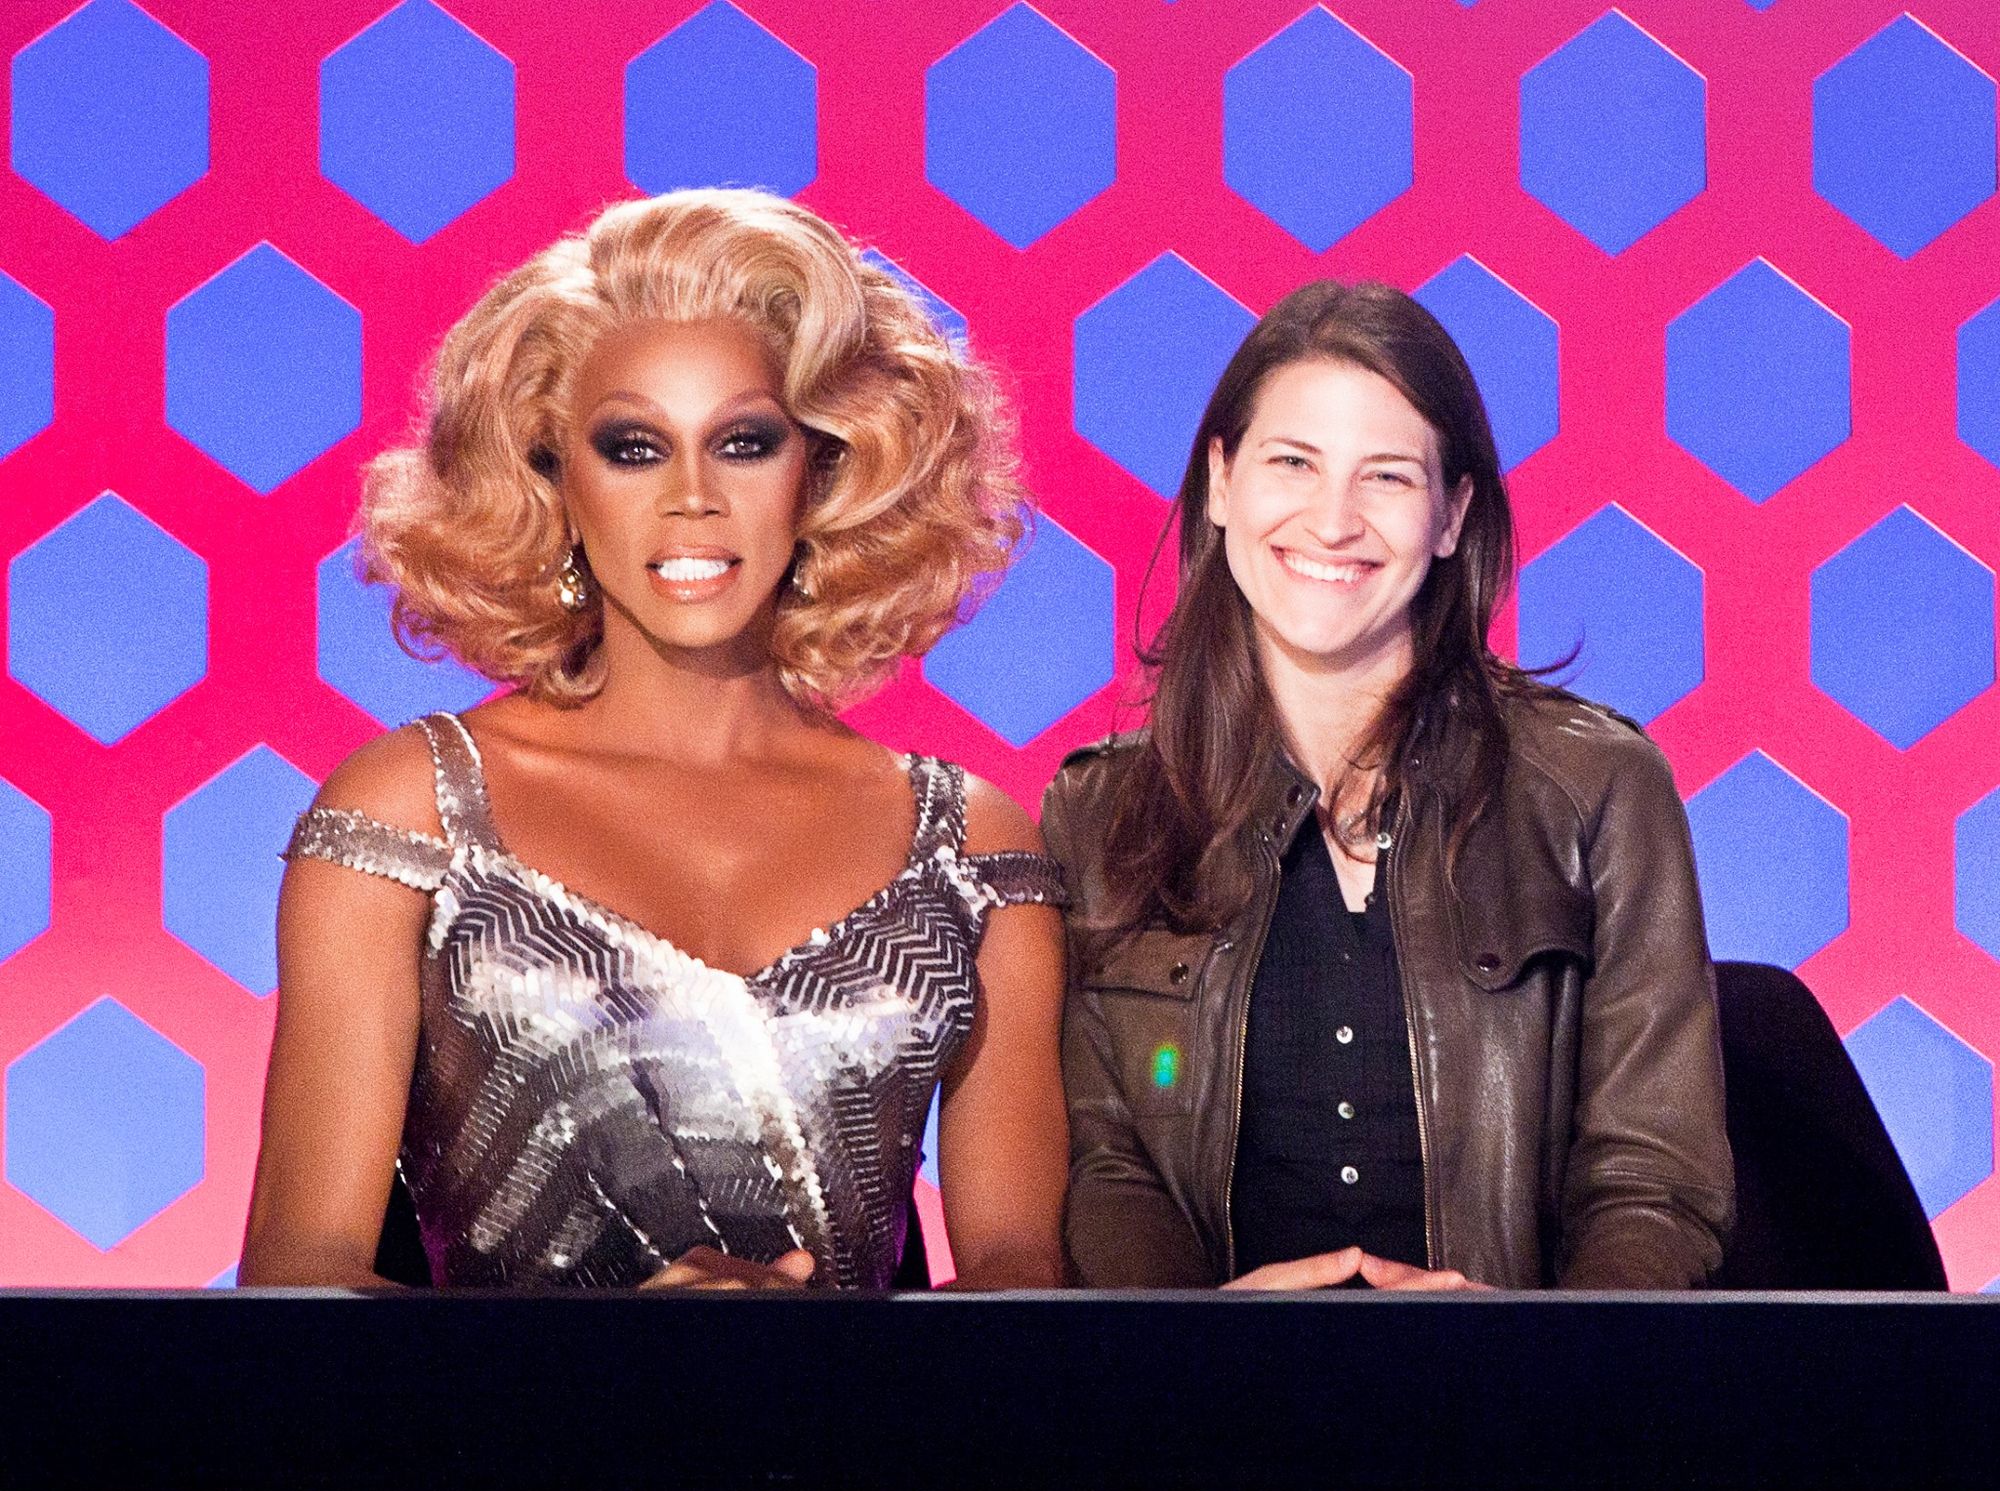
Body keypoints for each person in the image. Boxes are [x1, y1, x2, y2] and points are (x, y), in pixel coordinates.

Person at [241, 190, 1067, 1291]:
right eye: (633, 448)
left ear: (823, 470)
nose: (692, 498)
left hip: (857, 1414)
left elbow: (1023, 1277)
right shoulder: (412, 809)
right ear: (552, 476)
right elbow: (300, 1272)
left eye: (744, 443)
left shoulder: (968, 844)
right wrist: (596, 1360)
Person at [1042, 281, 1732, 1292]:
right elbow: (1106, 1167)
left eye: (1387, 477)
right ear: (1221, 483)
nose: (1332, 521)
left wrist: (1537, 1352)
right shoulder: (1099, 816)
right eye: (1292, 462)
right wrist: (1197, 1339)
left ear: (1452, 515)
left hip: (1527, 1389)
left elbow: (1653, 1182)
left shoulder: (1598, 789)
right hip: (1204, 1389)